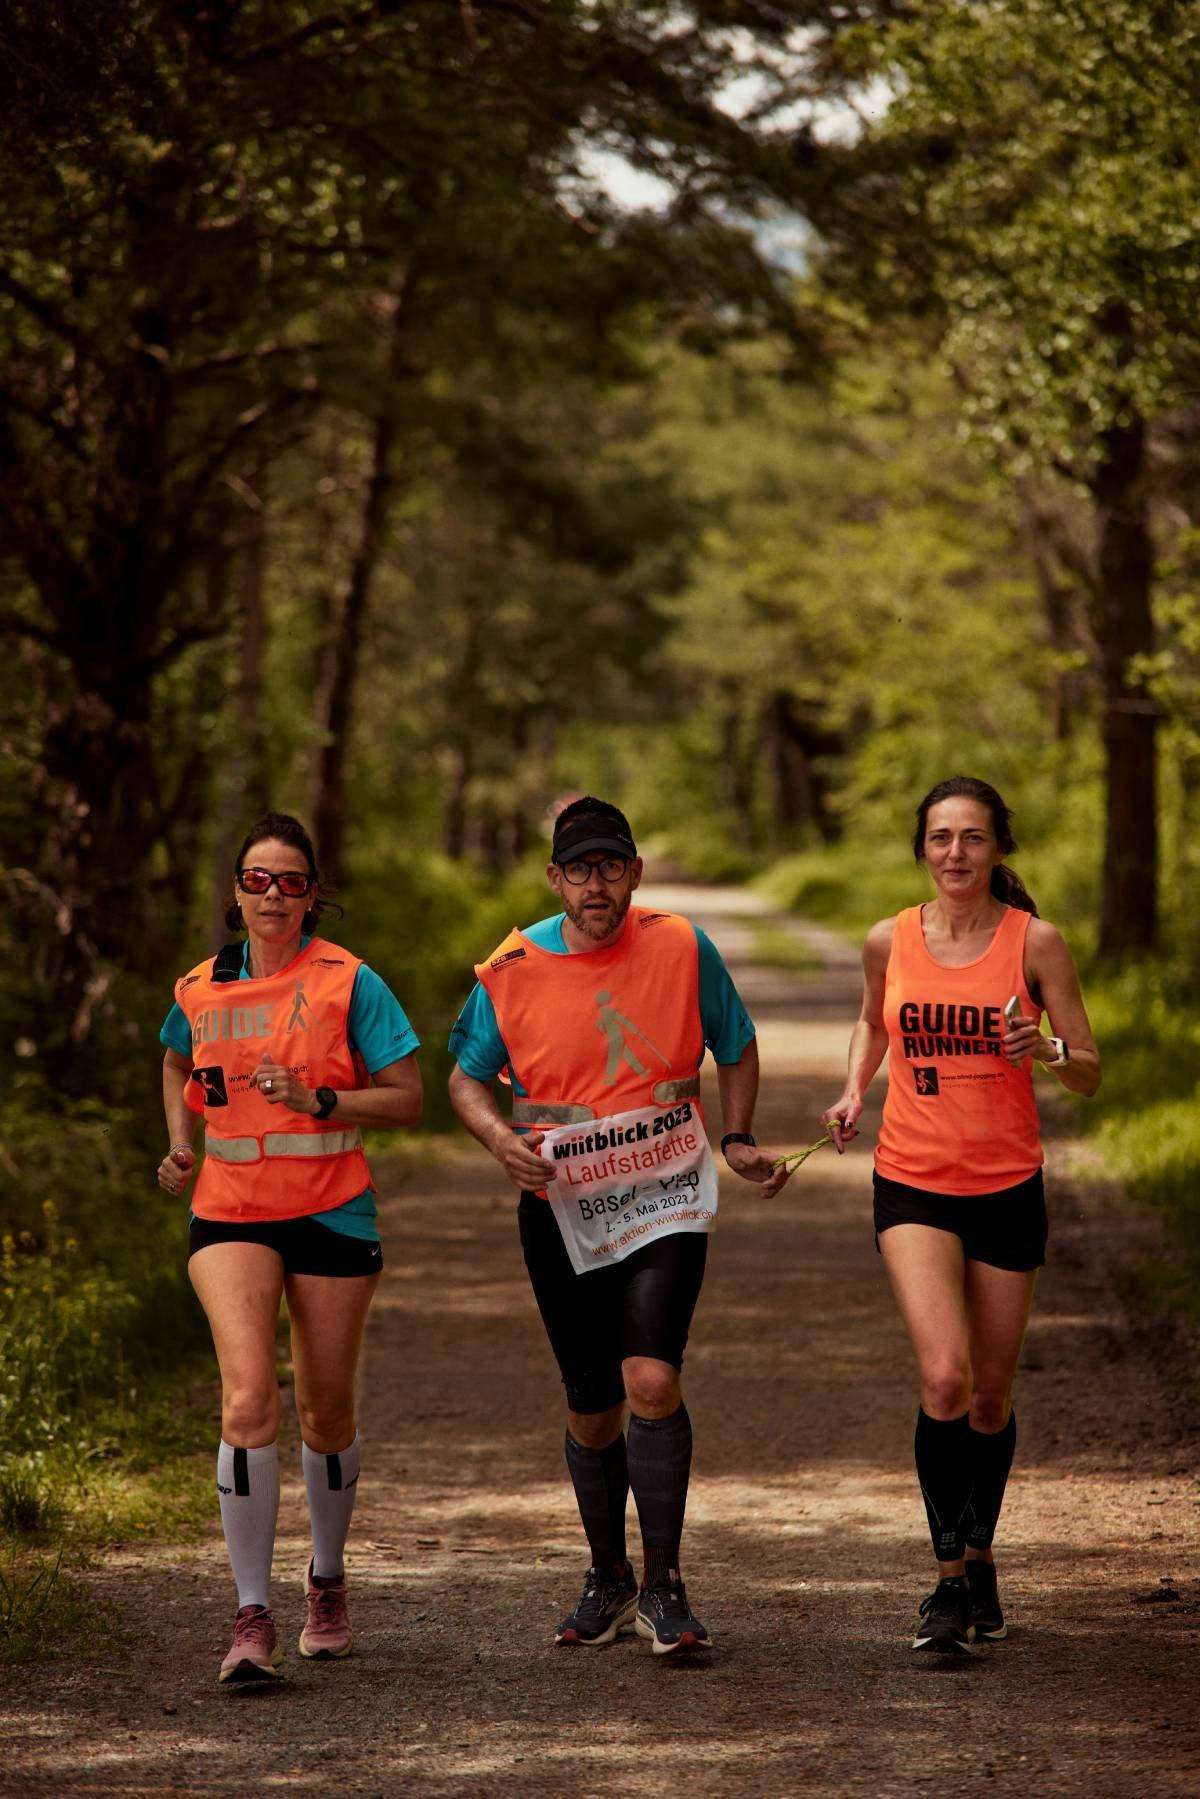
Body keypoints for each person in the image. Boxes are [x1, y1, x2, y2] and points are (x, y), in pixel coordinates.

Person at [447, 796, 791, 1656]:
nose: (596, 884)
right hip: (559, 1204)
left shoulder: (680, 943)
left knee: (650, 1379)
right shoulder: (512, 962)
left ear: (634, 873)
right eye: (579, 868)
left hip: (664, 1196)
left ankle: (664, 1585)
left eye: (611, 866)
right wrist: (499, 1141)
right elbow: (465, 1079)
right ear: (554, 878)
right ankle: (608, 1576)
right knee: (592, 1403)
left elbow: (737, 1043)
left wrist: (739, 1136)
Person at [821, 776, 1100, 1654]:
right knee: (943, 1378)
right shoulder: (888, 937)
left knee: (989, 1393)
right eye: (941, 837)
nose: (955, 854)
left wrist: (1047, 1048)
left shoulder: (1035, 942)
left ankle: (981, 1554)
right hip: (911, 1180)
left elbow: (1088, 1067)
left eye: (973, 838)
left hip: (1007, 1186)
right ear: (922, 847)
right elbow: (874, 1023)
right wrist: (850, 1092)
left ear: (997, 848)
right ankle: (944, 1585)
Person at [157, 811, 422, 1685]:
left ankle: (327, 1581)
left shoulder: (351, 981)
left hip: (331, 1210)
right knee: (245, 1400)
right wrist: (182, 1140)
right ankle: (250, 1614)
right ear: (236, 892)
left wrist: (320, 1101)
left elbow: (406, 1099)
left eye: (293, 881)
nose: (274, 894)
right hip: (228, 1211)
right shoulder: (199, 985)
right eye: (259, 879)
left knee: (326, 1411)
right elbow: (172, 1060)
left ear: (314, 894)